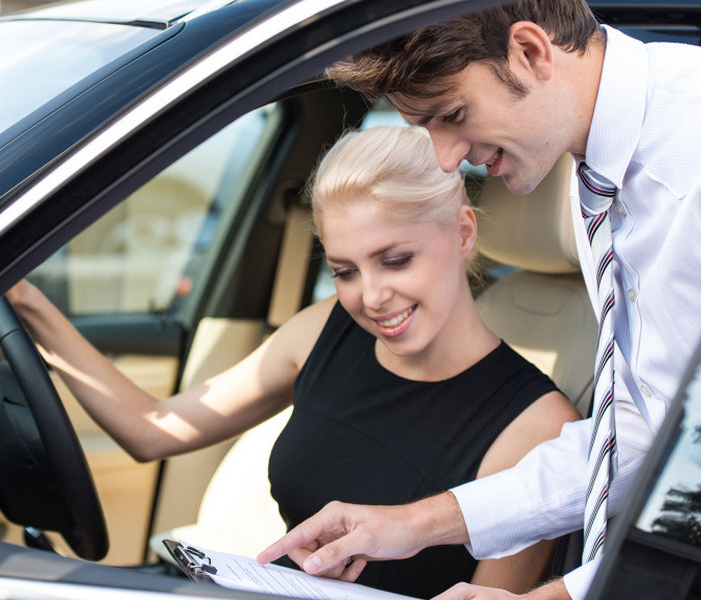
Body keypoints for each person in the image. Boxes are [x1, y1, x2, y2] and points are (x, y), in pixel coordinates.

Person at [7, 125, 579, 598]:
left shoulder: (538, 428)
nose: (371, 296)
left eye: (396, 259)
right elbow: (155, 430)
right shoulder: (326, 328)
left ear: (461, 233)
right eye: (346, 270)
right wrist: (26, 303)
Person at [257, 2, 701, 600]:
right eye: (426, 129)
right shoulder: (600, 172)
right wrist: (412, 524)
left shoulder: (687, 175)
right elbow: (645, 429)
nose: (445, 158)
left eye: (453, 115)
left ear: (530, 51)